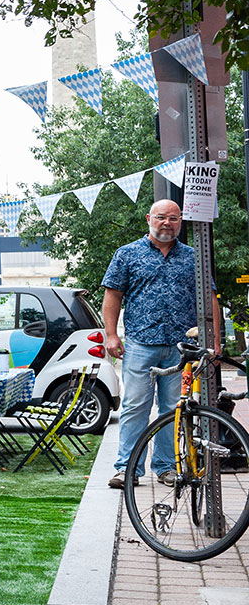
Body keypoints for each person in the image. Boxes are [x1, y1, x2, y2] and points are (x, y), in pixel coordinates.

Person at [103, 199, 219, 489]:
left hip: (182, 348)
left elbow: (211, 299)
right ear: (148, 219)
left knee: (172, 409)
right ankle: (127, 469)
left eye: (173, 218)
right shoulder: (127, 254)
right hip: (141, 344)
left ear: (181, 222)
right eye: (161, 217)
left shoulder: (195, 257)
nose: (167, 223)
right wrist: (111, 334)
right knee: (135, 406)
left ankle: (166, 467)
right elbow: (113, 296)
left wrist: (215, 340)